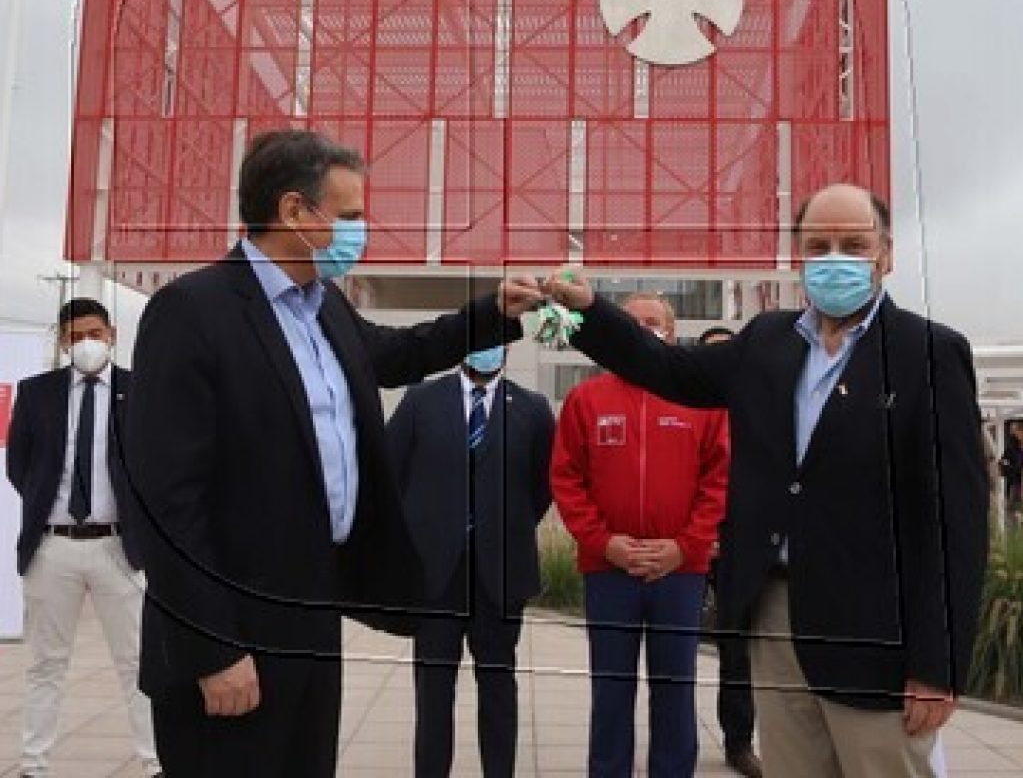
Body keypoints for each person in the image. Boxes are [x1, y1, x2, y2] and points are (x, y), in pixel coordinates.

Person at [123, 129, 541, 778]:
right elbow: (164, 506)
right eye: (349, 215)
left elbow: (401, 353)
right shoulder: (192, 312)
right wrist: (213, 649)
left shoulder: (326, 310)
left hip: (315, 613)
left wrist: (493, 312)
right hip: (235, 637)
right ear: (294, 212)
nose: (360, 230)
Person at [544, 184, 988, 778]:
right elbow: (668, 368)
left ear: (886, 254)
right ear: (799, 255)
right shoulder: (768, 341)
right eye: (819, 245)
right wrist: (591, 312)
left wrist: (940, 666)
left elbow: (954, 522)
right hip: (777, 617)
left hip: (879, 633)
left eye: (854, 245)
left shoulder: (929, 354)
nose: (835, 258)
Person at [550, 293, 729, 778]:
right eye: (633, 323)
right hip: (609, 570)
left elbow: (719, 479)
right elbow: (566, 479)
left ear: (672, 334)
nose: (644, 329)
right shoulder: (586, 399)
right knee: (611, 687)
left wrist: (684, 547)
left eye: (654, 322)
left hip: (679, 572)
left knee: (675, 687)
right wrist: (603, 542)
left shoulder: (701, 399)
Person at [5, 298, 162, 778]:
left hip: (118, 547)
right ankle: (33, 765)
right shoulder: (36, 393)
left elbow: (155, 465)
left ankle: (155, 762)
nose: (86, 343)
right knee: (46, 664)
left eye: (94, 332)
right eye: (75, 336)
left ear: (112, 333)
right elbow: (20, 468)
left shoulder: (141, 391)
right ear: (62, 340)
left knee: (137, 664)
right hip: (53, 546)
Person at [386, 346, 555, 777]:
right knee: (433, 690)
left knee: (498, 687)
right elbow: (392, 472)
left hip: (500, 572)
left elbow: (541, 488)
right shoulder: (421, 401)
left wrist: (499, 528)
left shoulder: (533, 410)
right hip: (436, 573)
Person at [697, 326, 761, 778]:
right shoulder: (687, 405)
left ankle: (739, 741)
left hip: (742, 544)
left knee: (738, 648)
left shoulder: (759, 410)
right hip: (691, 540)